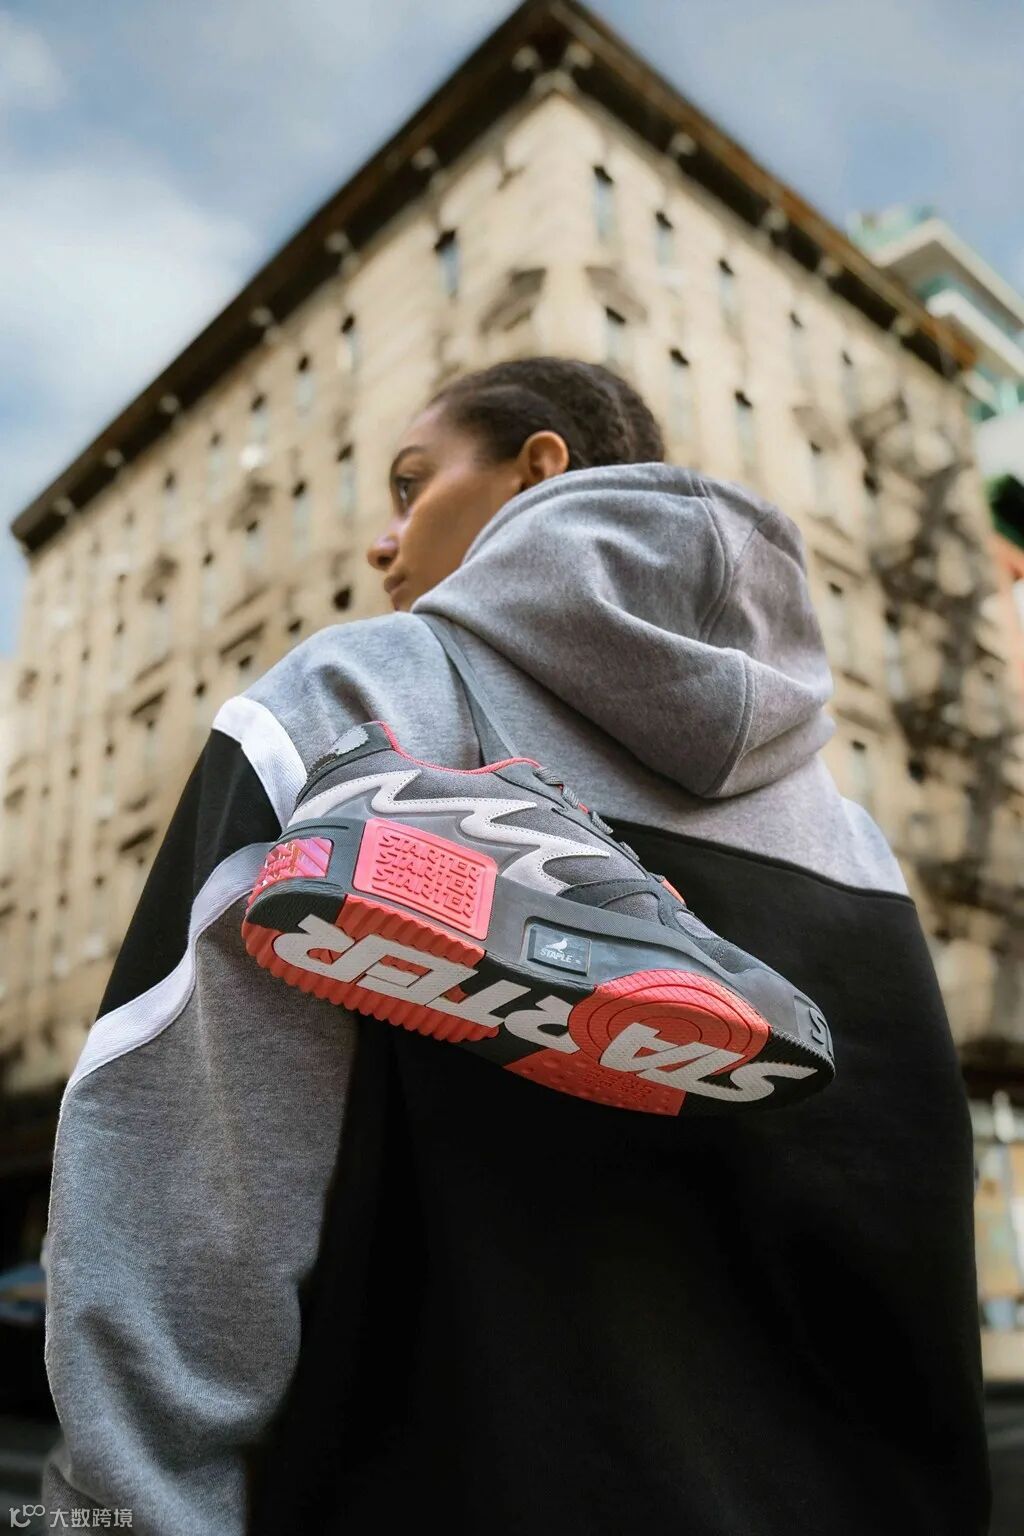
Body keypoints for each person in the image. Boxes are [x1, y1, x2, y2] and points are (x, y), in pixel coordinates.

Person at [42, 356, 989, 1534]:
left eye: (411, 485)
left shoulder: (356, 693)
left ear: (537, 468)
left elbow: (190, 1191)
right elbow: (905, 1232)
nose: (382, 543)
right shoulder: (856, 840)